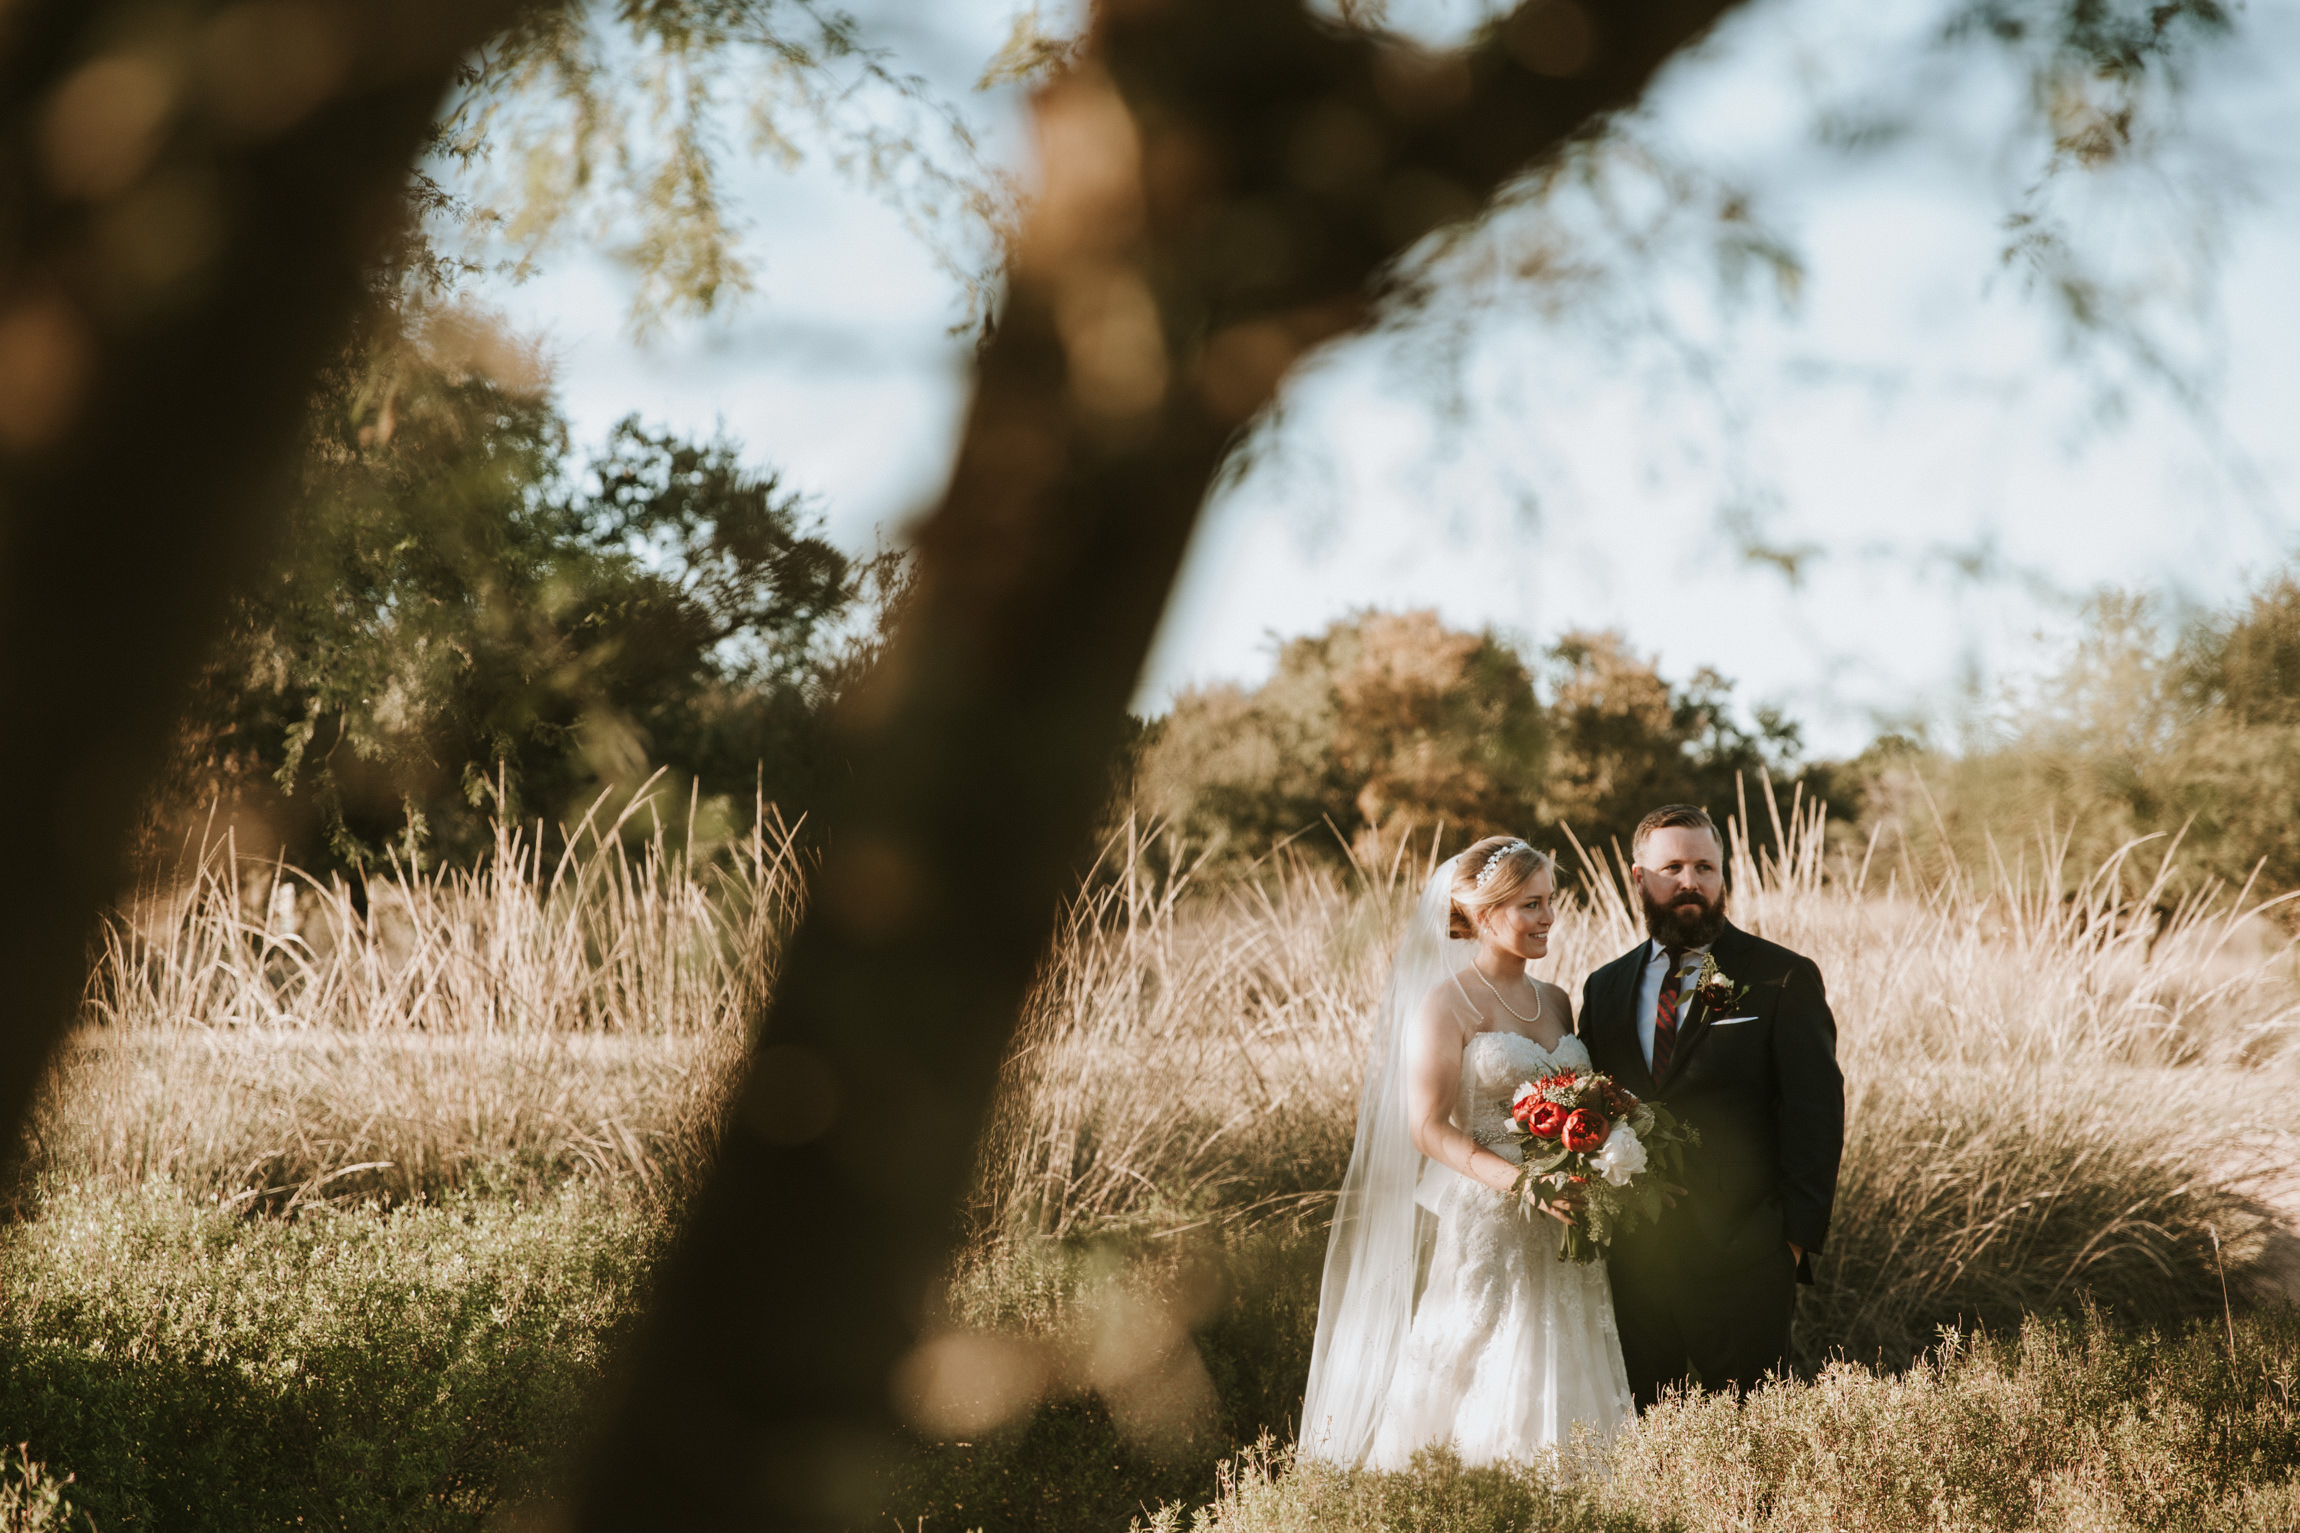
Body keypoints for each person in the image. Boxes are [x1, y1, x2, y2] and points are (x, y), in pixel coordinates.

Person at [1300, 836, 1634, 1470]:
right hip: (1491, 1217)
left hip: (1566, 1221)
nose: (1548, 918)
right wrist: (1522, 1183)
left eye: (1551, 902)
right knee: (1474, 1358)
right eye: (1530, 904)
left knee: (1570, 1353)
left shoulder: (1559, 1000)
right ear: (1485, 913)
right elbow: (1426, 1126)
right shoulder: (1444, 1003)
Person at [1575, 804, 1844, 1408]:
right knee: (1647, 1426)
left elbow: (1817, 1115)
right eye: (1672, 867)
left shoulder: (1781, 978)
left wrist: (1791, 1246)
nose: (1690, 881)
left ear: (1725, 878)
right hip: (1637, 1256)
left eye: (1706, 866)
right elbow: (1593, 1108)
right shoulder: (1605, 988)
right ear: (1639, 878)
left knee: (1758, 1436)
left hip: (1746, 1253)